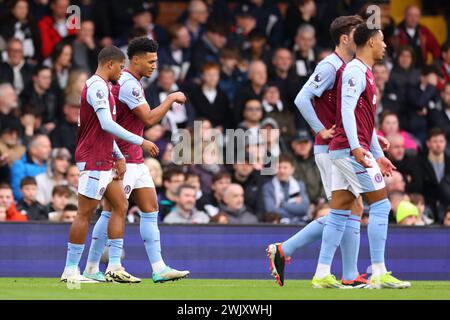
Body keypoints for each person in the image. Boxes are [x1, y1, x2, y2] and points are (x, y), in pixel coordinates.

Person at [267, 15, 367, 288]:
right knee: (345, 208)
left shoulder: (348, 66)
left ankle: (344, 272)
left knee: (351, 206)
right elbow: (302, 97)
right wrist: (320, 128)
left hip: (338, 147)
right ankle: (342, 273)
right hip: (329, 148)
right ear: (345, 38)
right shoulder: (330, 65)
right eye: (358, 32)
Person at [311, 23, 409, 289]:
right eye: (382, 39)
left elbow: (364, 120)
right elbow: (346, 110)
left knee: (340, 211)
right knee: (381, 204)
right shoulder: (355, 70)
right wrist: (356, 147)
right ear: (370, 43)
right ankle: (379, 271)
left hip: (347, 149)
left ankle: (321, 273)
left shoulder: (363, 71)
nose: (386, 45)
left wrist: (377, 153)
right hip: (349, 151)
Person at [84, 37, 189, 283]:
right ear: (136, 59)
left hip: (136, 158)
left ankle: (159, 267)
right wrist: (171, 98)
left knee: (150, 208)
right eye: (150, 61)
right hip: (123, 158)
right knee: (111, 211)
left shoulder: (131, 82)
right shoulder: (129, 84)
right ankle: (96, 266)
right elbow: (149, 118)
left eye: (156, 61)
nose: (154, 66)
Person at [60, 45, 159, 284]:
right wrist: (141, 140)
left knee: (120, 206)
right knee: (84, 213)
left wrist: (118, 155)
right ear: (109, 64)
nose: (122, 72)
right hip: (93, 157)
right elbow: (106, 124)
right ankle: (71, 270)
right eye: (121, 67)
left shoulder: (106, 87)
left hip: (105, 157)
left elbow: (104, 128)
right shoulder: (96, 86)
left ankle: (107, 267)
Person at [262, 154, 310, 224]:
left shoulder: (300, 185)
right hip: (278, 225)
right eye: (279, 167)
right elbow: (271, 210)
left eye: (285, 168)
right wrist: (295, 213)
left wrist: (282, 204)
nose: (281, 171)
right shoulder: (268, 187)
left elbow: (304, 208)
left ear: (292, 169)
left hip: (299, 224)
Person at [419, 128, 450, 223]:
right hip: (427, 205)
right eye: (435, 141)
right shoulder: (420, 162)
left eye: (441, 141)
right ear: (428, 143)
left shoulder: (449, 161)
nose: (438, 144)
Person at [10, 134, 51, 201]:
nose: (49, 149)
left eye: (50, 146)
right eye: (45, 147)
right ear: (33, 149)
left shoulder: (50, 166)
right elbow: (18, 192)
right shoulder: (19, 166)